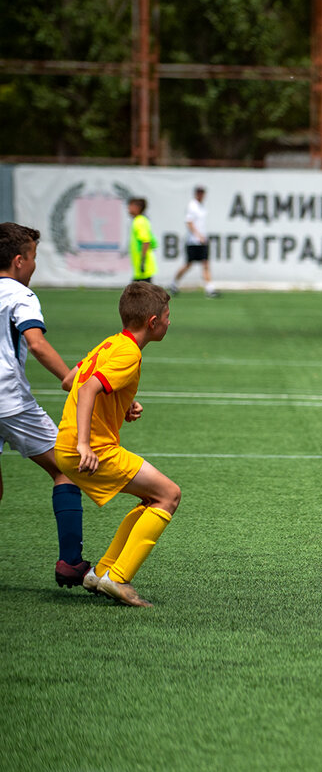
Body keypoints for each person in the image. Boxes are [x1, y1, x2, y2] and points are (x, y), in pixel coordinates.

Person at [55, 282, 180, 607]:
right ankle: (118, 578)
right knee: (169, 495)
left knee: (152, 497)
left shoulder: (111, 344)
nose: (170, 322)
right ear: (152, 322)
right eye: (167, 316)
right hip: (90, 450)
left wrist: (123, 402)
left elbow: (71, 380)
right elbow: (86, 390)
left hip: (64, 447)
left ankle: (102, 573)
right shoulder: (128, 353)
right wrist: (85, 444)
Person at [0, 223, 89, 588]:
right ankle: (70, 562)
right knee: (67, 468)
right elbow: (35, 343)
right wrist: (69, 378)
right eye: (34, 256)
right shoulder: (21, 294)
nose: (34, 264)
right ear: (20, 260)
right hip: (9, 400)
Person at [170, 186, 218, 297]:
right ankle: (174, 283)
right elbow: (189, 222)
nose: (201, 195)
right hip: (193, 241)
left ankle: (209, 289)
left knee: (205, 263)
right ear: (196, 194)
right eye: (199, 193)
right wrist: (198, 235)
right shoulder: (192, 206)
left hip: (202, 241)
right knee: (188, 264)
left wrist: (203, 237)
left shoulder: (202, 206)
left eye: (203, 193)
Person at [127, 198, 157, 283]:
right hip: (141, 267)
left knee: (134, 293)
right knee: (142, 294)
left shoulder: (139, 221)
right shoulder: (140, 220)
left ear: (137, 207)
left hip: (143, 266)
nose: (128, 208)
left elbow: (146, 241)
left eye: (130, 206)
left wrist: (142, 261)